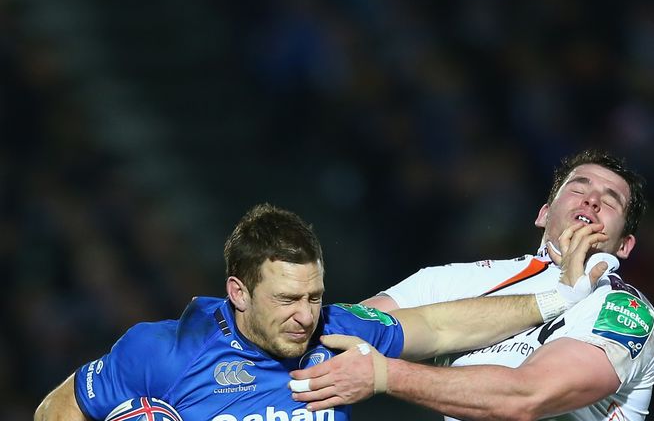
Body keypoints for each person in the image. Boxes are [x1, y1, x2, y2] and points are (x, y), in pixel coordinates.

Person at [35, 203, 605, 421]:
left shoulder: (336, 331)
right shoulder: (163, 350)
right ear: (239, 292)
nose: (305, 316)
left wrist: (556, 298)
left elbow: (436, 324)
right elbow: (56, 411)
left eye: (313, 296)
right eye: (287, 300)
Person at [290, 149, 654, 421]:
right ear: (544, 213)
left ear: (625, 245)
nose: (593, 200)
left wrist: (385, 374)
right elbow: (339, 332)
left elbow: (527, 397)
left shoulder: (624, 310)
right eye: (579, 187)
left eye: (610, 201)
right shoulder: (454, 280)